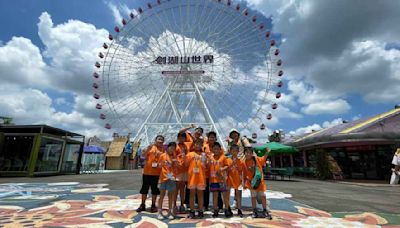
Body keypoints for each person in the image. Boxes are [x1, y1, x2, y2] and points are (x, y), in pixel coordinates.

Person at [136, 135, 165, 213]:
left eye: (162, 140)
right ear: (155, 140)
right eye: (159, 139)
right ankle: (142, 204)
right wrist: (148, 148)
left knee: (154, 190)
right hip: (147, 172)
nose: (160, 141)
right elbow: (143, 156)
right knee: (144, 189)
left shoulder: (163, 150)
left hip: (156, 173)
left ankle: (153, 205)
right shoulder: (150, 147)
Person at [243, 147, 272, 219]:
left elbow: (263, 158)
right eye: (246, 152)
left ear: (252, 154)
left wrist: (267, 152)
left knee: (263, 195)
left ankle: (265, 210)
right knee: (253, 197)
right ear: (244, 154)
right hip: (251, 183)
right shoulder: (244, 162)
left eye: (250, 153)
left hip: (259, 182)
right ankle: (254, 210)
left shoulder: (256, 159)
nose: (248, 154)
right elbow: (243, 173)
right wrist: (243, 183)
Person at [185, 139, 208, 218]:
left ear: (202, 146)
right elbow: (186, 164)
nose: (198, 146)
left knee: (200, 195)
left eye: (199, 144)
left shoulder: (204, 154)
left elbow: (206, 166)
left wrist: (204, 160)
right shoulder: (190, 154)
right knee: (192, 195)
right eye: (196, 144)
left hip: (201, 177)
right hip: (192, 177)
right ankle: (192, 210)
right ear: (194, 145)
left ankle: (200, 210)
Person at [157, 142, 179, 219]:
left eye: (173, 148)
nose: (172, 149)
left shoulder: (174, 157)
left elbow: (177, 167)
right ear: (167, 148)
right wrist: (163, 163)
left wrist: (175, 163)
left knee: (170, 196)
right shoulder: (162, 155)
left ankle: (170, 211)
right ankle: (159, 212)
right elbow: (159, 166)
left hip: (172, 178)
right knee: (162, 195)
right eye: (171, 147)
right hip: (163, 177)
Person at [208, 142, 231, 218]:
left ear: (220, 149)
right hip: (213, 180)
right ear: (212, 150)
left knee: (225, 195)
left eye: (217, 149)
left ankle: (227, 209)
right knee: (215, 196)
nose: (216, 150)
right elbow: (208, 166)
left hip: (221, 180)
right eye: (214, 149)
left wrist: (222, 169)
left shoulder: (223, 157)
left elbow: (227, 166)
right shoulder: (210, 157)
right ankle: (215, 209)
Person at [203, 131, 224, 211]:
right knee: (206, 190)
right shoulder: (205, 147)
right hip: (206, 171)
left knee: (217, 189)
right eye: (210, 137)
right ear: (208, 138)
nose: (211, 138)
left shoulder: (219, 148)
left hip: (216, 172)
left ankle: (220, 205)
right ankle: (205, 205)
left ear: (215, 138)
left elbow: (222, 158)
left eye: (213, 137)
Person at [225, 144, 244, 217]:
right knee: (227, 194)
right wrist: (231, 164)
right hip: (229, 179)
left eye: (236, 151)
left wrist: (242, 180)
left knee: (238, 195)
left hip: (237, 179)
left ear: (238, 151)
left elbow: (241, 171)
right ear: (230, 151)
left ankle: (239, 209)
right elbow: (226, 169)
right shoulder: (227, 160)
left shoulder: (240, 161)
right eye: (233, 151)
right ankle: (227, 208)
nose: (234, 152)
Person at [175, 132, 190, 213]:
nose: (182, 139)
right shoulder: (176, 146)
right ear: (178, 138)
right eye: (180, 137)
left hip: (185, 169)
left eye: (183, 137)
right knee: (176, 188)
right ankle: (174, 205)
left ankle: (181, 204)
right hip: (178, 170)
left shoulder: (186, 146)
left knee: (182, 188)